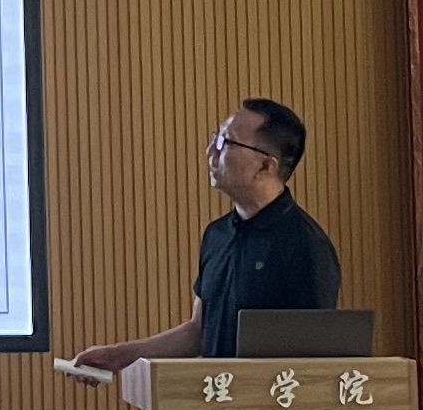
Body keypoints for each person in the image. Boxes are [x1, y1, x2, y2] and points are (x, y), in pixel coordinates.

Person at [69, 97, 343, 369]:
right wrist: (117, 356)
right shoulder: (217, 235)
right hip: (213, 395)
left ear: (265, 166)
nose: (211, 151)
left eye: (226, 142)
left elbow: (312, 359)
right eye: (216, 138)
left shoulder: (306, 246)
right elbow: (198, 332)